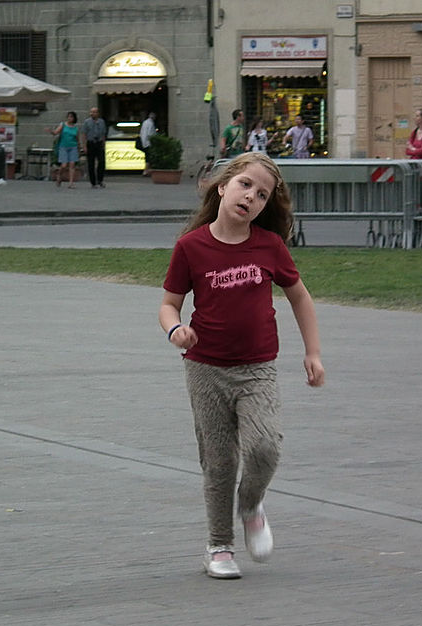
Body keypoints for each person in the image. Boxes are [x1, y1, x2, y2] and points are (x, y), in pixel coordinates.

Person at [158, 153, 326, 580]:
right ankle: (219, 546)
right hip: (205, 369)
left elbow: (300, 296)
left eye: (262, 194)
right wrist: (175, 329)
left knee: (265, 446)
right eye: (245, 185)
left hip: (257, 369)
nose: (251, 197)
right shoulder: (191, 247)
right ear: (222, 187)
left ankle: (251, 504)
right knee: (219, 462)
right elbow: (169, 304)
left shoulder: (269, 246)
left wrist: (313, 352)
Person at [48, 111, 80, 188]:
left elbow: (77, 138)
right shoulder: (63, 125)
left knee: (72, 165)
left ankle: (71, 183)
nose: (69, 118)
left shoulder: (75, 128)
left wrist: (79, 147)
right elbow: (56, 132)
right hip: (63, 147)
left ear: (74, 118)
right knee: (64, 165)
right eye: (68, 116)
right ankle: (59, 174)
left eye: (71, 117)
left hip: (73, 147)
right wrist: (51, 131)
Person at [81, 106, 107, 188]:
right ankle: (93, 182)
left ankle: (100, 180)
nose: (92, 114)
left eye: (94, 112)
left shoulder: (101, 122)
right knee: (91, 163)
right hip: (91, 143)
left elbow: (103, 133)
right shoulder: (87, 122)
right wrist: (84, 146)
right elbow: (84, 134)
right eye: (91, 112)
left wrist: (103, 143)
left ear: (97, 113)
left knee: (102, 162)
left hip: (99, 143)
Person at [139, 111, 157, 175]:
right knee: (148, 157)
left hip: (143, 141)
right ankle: (146, 171)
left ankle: (148, 171)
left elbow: (141, 132)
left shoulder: (145, 122)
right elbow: (150, 134)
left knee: (147, 157)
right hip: (148, 142)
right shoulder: (151, 123)